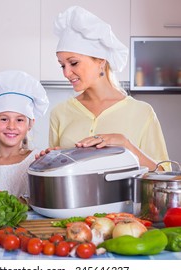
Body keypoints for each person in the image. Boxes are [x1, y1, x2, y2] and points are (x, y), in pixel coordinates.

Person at [48, 6, 169, 171]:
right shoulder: (59, 113)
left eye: (73, 63)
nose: (66, 72)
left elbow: (163, 174)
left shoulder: (142, 113)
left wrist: (125, 145)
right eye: (62, 65)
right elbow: (54, 174)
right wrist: (54, 160)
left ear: (101, 61)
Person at [0, 70, 49, 203]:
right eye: (4, 119)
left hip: (29, 225)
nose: (11, 126)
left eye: (19, 120)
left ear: (30, 124)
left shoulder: (37, 161)